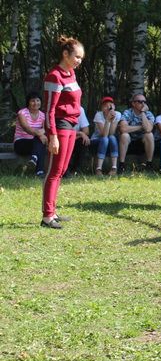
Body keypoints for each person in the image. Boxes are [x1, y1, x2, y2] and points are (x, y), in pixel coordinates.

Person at [40, 36, 85, 229]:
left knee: (62, 170)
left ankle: (53, 211)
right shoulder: (54, 76)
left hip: (71, 126)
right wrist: (53, 136)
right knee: (54, 171)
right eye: (77, 57)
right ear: (65, 54)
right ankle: (47, 216)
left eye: (81, 58)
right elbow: (49, 110)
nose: (79, 61)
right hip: (59, 127)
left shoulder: (71, 75)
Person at [118, 94, 155, 173]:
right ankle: (121, 165)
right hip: (129, 142)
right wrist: (140, 127)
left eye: (144, 102)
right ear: (133, 103)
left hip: (143, 142)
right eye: (140, 102)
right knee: (124, 135)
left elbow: (148, 129)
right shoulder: (128, 112)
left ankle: (149, 164)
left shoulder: (148, 114)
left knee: (149, 135)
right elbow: (123, 128)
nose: (143, 104)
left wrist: (142, 113)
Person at [13, 91, 48, 177]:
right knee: (39, 140)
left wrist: (40, 134)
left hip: (35, 144)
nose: (35, 103)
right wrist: (40, 134)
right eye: (33, 101)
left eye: (38, 100)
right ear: (28, 102)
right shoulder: (22, 113)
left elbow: (46, 128)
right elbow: (27, 129)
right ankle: (39, 171)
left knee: (39, 141)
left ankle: (34, 159)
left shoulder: (43, 115)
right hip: (21, 143)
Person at [90, 96, 120, 175]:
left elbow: (111, 133)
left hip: (109, 140)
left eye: (110, 105)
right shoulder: (98, 115)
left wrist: (112, 119)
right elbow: (104, 134)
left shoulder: (117, 114)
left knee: (112, 137)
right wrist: (107, 120)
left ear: (114, 106)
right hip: (96, 140)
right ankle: (98, 169)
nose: (108, 107)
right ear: (102, 108)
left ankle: (114, 168)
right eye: (105, 105)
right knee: (105, 139)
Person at [66, 106, 91, 176]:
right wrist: (80, 133)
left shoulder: (80, 109)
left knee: (84, 140)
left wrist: (77, 136)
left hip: (75, 138)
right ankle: (65, 170)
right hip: (64, 138)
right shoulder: (62, 108)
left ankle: (76, 170)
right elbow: (63, 131)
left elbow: (86, 130)